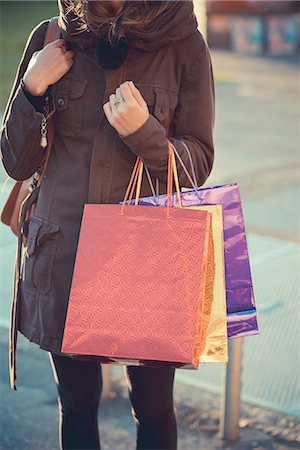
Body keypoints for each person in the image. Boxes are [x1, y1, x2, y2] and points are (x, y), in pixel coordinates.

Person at [0, 0, 215, 448]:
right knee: (75, 403)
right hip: (65, 252)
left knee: (153, 409)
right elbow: (16, 162)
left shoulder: (184, 45)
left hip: (146, 257)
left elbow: (198, 164)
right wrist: (33, 88)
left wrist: (144, 133)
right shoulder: (52, 38)